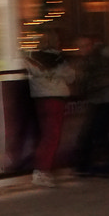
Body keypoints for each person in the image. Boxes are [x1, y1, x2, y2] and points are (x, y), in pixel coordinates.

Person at [24, 30, 75, 187]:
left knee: (46, 135)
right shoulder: (59, 59)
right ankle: (42, 171)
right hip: (55, 98)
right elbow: (71, 76)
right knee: (52, 136)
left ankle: (42, 170)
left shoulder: (32, 58)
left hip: (39, 98)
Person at [72, 35, 109, 177]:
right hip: (102, 99)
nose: (81, 50)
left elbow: (92, 80)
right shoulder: (95, 58)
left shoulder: (94, 60)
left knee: (97, 132)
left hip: (104, 100)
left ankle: (99, 165)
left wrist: (82, 86)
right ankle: (94, 165)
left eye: (83, 47)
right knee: (97, 132)